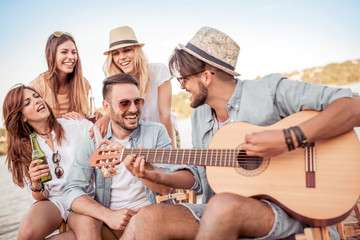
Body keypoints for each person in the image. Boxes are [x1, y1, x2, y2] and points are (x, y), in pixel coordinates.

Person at [125, 27, 360, 240]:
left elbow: (353, 105)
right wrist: (155, 175)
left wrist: (287, 139)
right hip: (220, 214)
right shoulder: (199, 116)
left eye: (184, 78)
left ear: (206, 76)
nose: (181, 86)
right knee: (149, 217)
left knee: (222, 206)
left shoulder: (269, 91)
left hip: (291, 212)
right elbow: (198, 176)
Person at [63, 73, 200, 239]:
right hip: (109, 223)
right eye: (124, 103)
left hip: (149, 219)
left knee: (139, 220)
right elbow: (71, 190)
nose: (134, 109)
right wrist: (108, 215)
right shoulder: (93, 140)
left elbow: (166, 188)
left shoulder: (156, 132)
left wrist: (143, 172)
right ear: (106, 107)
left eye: (137, 101)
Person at [2, 84, 99, 240]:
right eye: (27, 103)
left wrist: (103, 118)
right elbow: (40, 195)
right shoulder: (25, 147)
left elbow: (103, 137)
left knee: (88, 232)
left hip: (82, 195)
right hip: (54, 200)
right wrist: (36, 183)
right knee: (26, 234)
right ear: (22, 117)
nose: (37, 101)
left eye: (36, 96)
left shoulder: (75, 125)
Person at [96, 26, 178, 147]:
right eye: (116, 53)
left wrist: (170, 149)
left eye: (127, 50)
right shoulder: (115, 84)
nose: (122, 57)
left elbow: (165, 115)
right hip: (137, 140)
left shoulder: (159, 71)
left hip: (165, 134)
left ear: (137, 51)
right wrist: (106, 116)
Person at [29, 31, 101, 121]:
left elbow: (85, 118)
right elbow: (33, 123)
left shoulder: (84, 84)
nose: (71, 57)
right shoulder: (37, 86)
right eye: (64, 52)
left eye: (74, 52)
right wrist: (63, 120)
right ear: (50, 56)